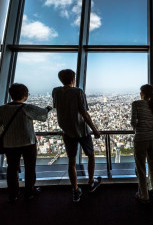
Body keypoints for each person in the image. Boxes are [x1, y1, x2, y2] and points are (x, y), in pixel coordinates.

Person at [52, 69, 101, 203]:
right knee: (91, 155)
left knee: (71, 161)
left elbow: (56, 107)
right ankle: (91, 182)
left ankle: (75, 190)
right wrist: (95, 130)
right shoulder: (78, 91)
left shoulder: (56, 91)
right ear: (73, 78)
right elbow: (84, 113)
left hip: (67, 131)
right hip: (82, 130)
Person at [0, 83, 51, 202]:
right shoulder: (27, 108)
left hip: (10, 143)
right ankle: (29, 192)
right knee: (30, 168)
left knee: (11, 169)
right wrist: (48, 109)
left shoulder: (2, 109)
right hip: (27, 142)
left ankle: (13, 195)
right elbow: (42, 115)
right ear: (25, 96)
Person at [131, 84, 153, 203]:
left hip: (140, 139)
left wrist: (137, 126)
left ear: (142, 92)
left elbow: (133, 122)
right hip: (152, 139)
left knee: (141, 168)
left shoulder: (136, 104)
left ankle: (144, 195)